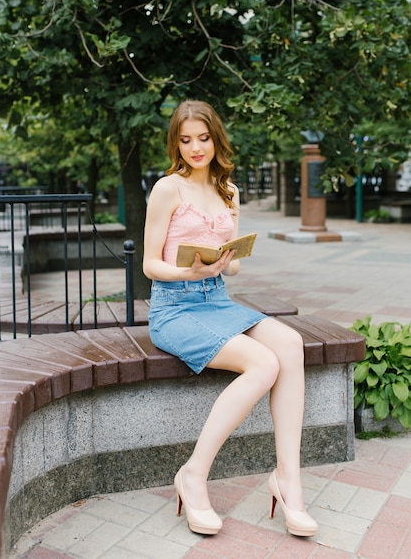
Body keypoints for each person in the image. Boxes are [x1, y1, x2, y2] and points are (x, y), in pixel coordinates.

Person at [143, 99, 317, 538]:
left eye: (203, 138)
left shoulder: (229, 192)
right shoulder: (168, 189)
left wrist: (226, 260)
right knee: (264, 363)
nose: (195, 148)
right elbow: (148, 264)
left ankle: (288, 481)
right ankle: (193, 474)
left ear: (215, 138)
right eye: (185, 140)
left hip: (217, 298)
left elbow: (235, 265)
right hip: (175, 307)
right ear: (175, 143)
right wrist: (188, 270)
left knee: (291, 345)